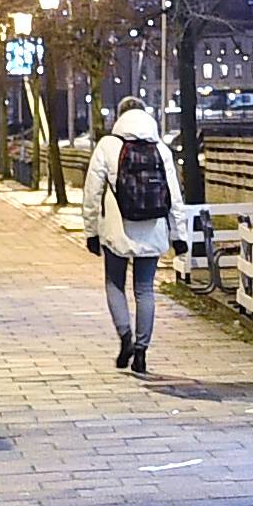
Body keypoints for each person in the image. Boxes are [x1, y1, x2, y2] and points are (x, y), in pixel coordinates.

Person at [85, 99, 178, 374]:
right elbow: (175, 196)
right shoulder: (161, 148)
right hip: (153, 228)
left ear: (119, 116)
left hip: (117, 230)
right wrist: (179, 235)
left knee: (114, 283)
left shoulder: (107, 145)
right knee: (145, 289)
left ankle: (125, 335)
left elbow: (92, 192)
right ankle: (141, 352)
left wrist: (91, 231)